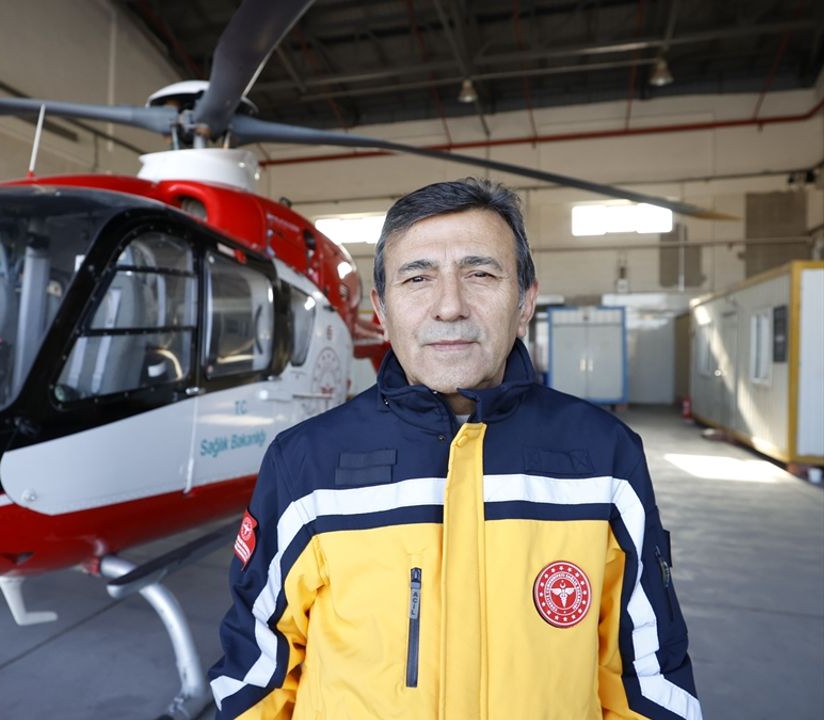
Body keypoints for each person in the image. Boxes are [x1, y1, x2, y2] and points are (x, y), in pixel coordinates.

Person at [208, 178, 700, 719]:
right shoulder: (306, 463)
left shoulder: (605, 458)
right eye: (418, 278)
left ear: (525, 301)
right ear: (381, 309)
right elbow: (257, 670)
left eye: (480, 273)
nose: (449, 307)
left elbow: (647, 674)